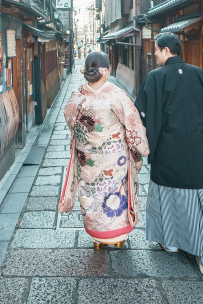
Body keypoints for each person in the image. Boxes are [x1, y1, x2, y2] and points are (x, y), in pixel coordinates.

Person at [135, 33, 203, 277]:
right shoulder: (199, 74)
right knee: (200, 199)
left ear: (166, 50)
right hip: (198, 149)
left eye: (156, 50)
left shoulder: (155, 78)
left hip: (167, 148)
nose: (154, 55)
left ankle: (172, 243)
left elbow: (139, 114)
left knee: (169, 194)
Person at [59, 51, 149, 248]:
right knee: (115, 193)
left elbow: (70, 121)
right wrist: (141, 148)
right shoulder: (116, 95)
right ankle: (117, 238)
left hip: (87, 157)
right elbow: (133, 124)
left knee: (91, 193)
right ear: (106, 71)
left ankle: (97, 238)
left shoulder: (77, 96)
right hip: (115, 158)